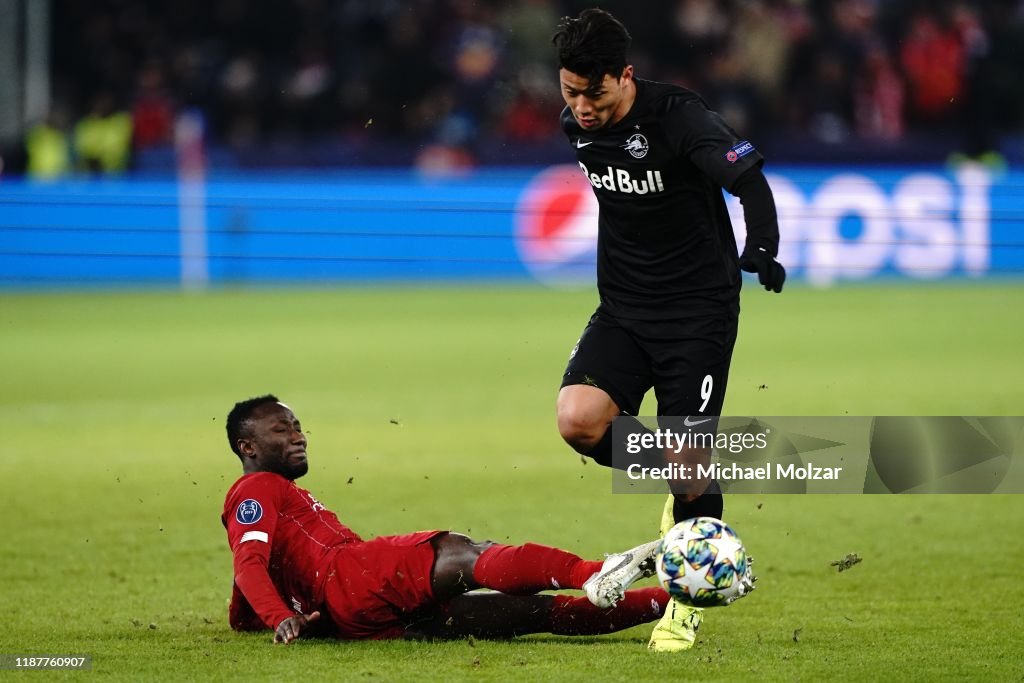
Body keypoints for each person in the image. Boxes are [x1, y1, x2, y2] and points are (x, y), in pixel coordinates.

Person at [551, 9, 784, 652]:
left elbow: (747, 179)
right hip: (624, 309)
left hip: (697, 315)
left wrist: (761, 245)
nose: (581, 107)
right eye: (569, 92)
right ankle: (688, 507)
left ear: (626, 77)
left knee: (687, 458)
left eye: (594, 93)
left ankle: (687, 597)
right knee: (579, 420)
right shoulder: (575, 123)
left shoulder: (678, 116)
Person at [222, 394, 669, 643]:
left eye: (298, 426)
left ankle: (670, 600)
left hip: (356, 618)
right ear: (248, 447)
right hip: (349, 576)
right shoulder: (256, 488)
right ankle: (595, 571)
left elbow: (250, 569)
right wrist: (280, 617)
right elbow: (249, 563)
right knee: (462, 553)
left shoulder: (274, 495)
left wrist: (256, 619)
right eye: (282, 430)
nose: (298, 437)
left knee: (531, 614)